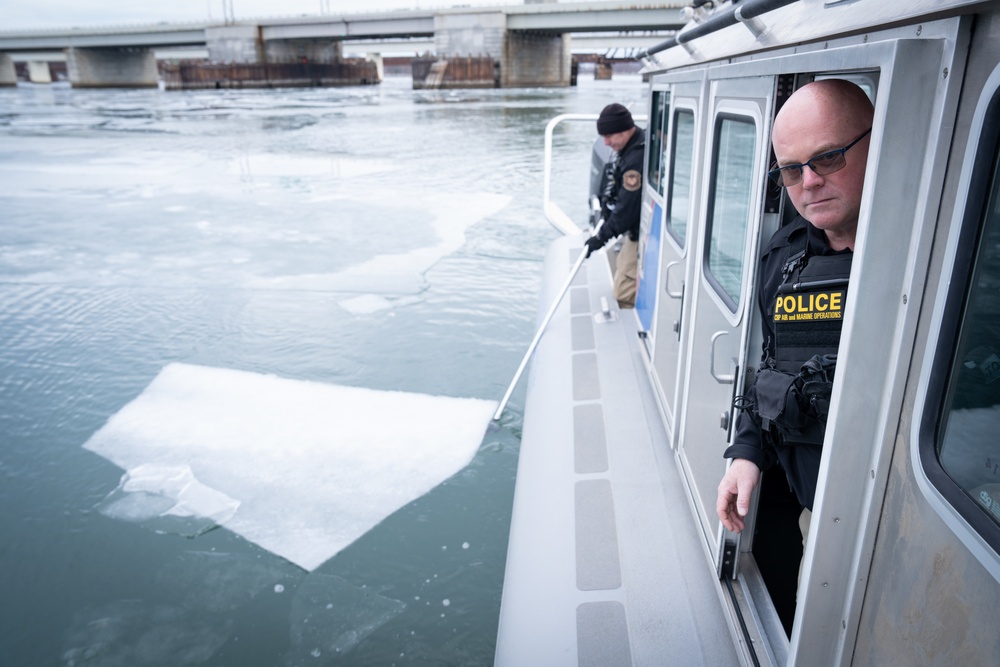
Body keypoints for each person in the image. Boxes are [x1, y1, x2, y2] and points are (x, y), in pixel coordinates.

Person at [715, 80, 874, 558]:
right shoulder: (784, 257)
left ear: (879, 140)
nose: (809, 182)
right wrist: (745, 454)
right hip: (816, 510)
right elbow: (771, 366)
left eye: (829, 158)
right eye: (790, 169)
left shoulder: (944, 258)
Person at [585, 103, 646, 309]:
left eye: (609, 136)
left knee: (623, 290)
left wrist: (601, 238)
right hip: (637, 228)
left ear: (625, 130)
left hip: (641, 230)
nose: (606, 142)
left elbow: (626, 211)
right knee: (621, 265)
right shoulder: (632, 147)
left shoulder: (635, 160)